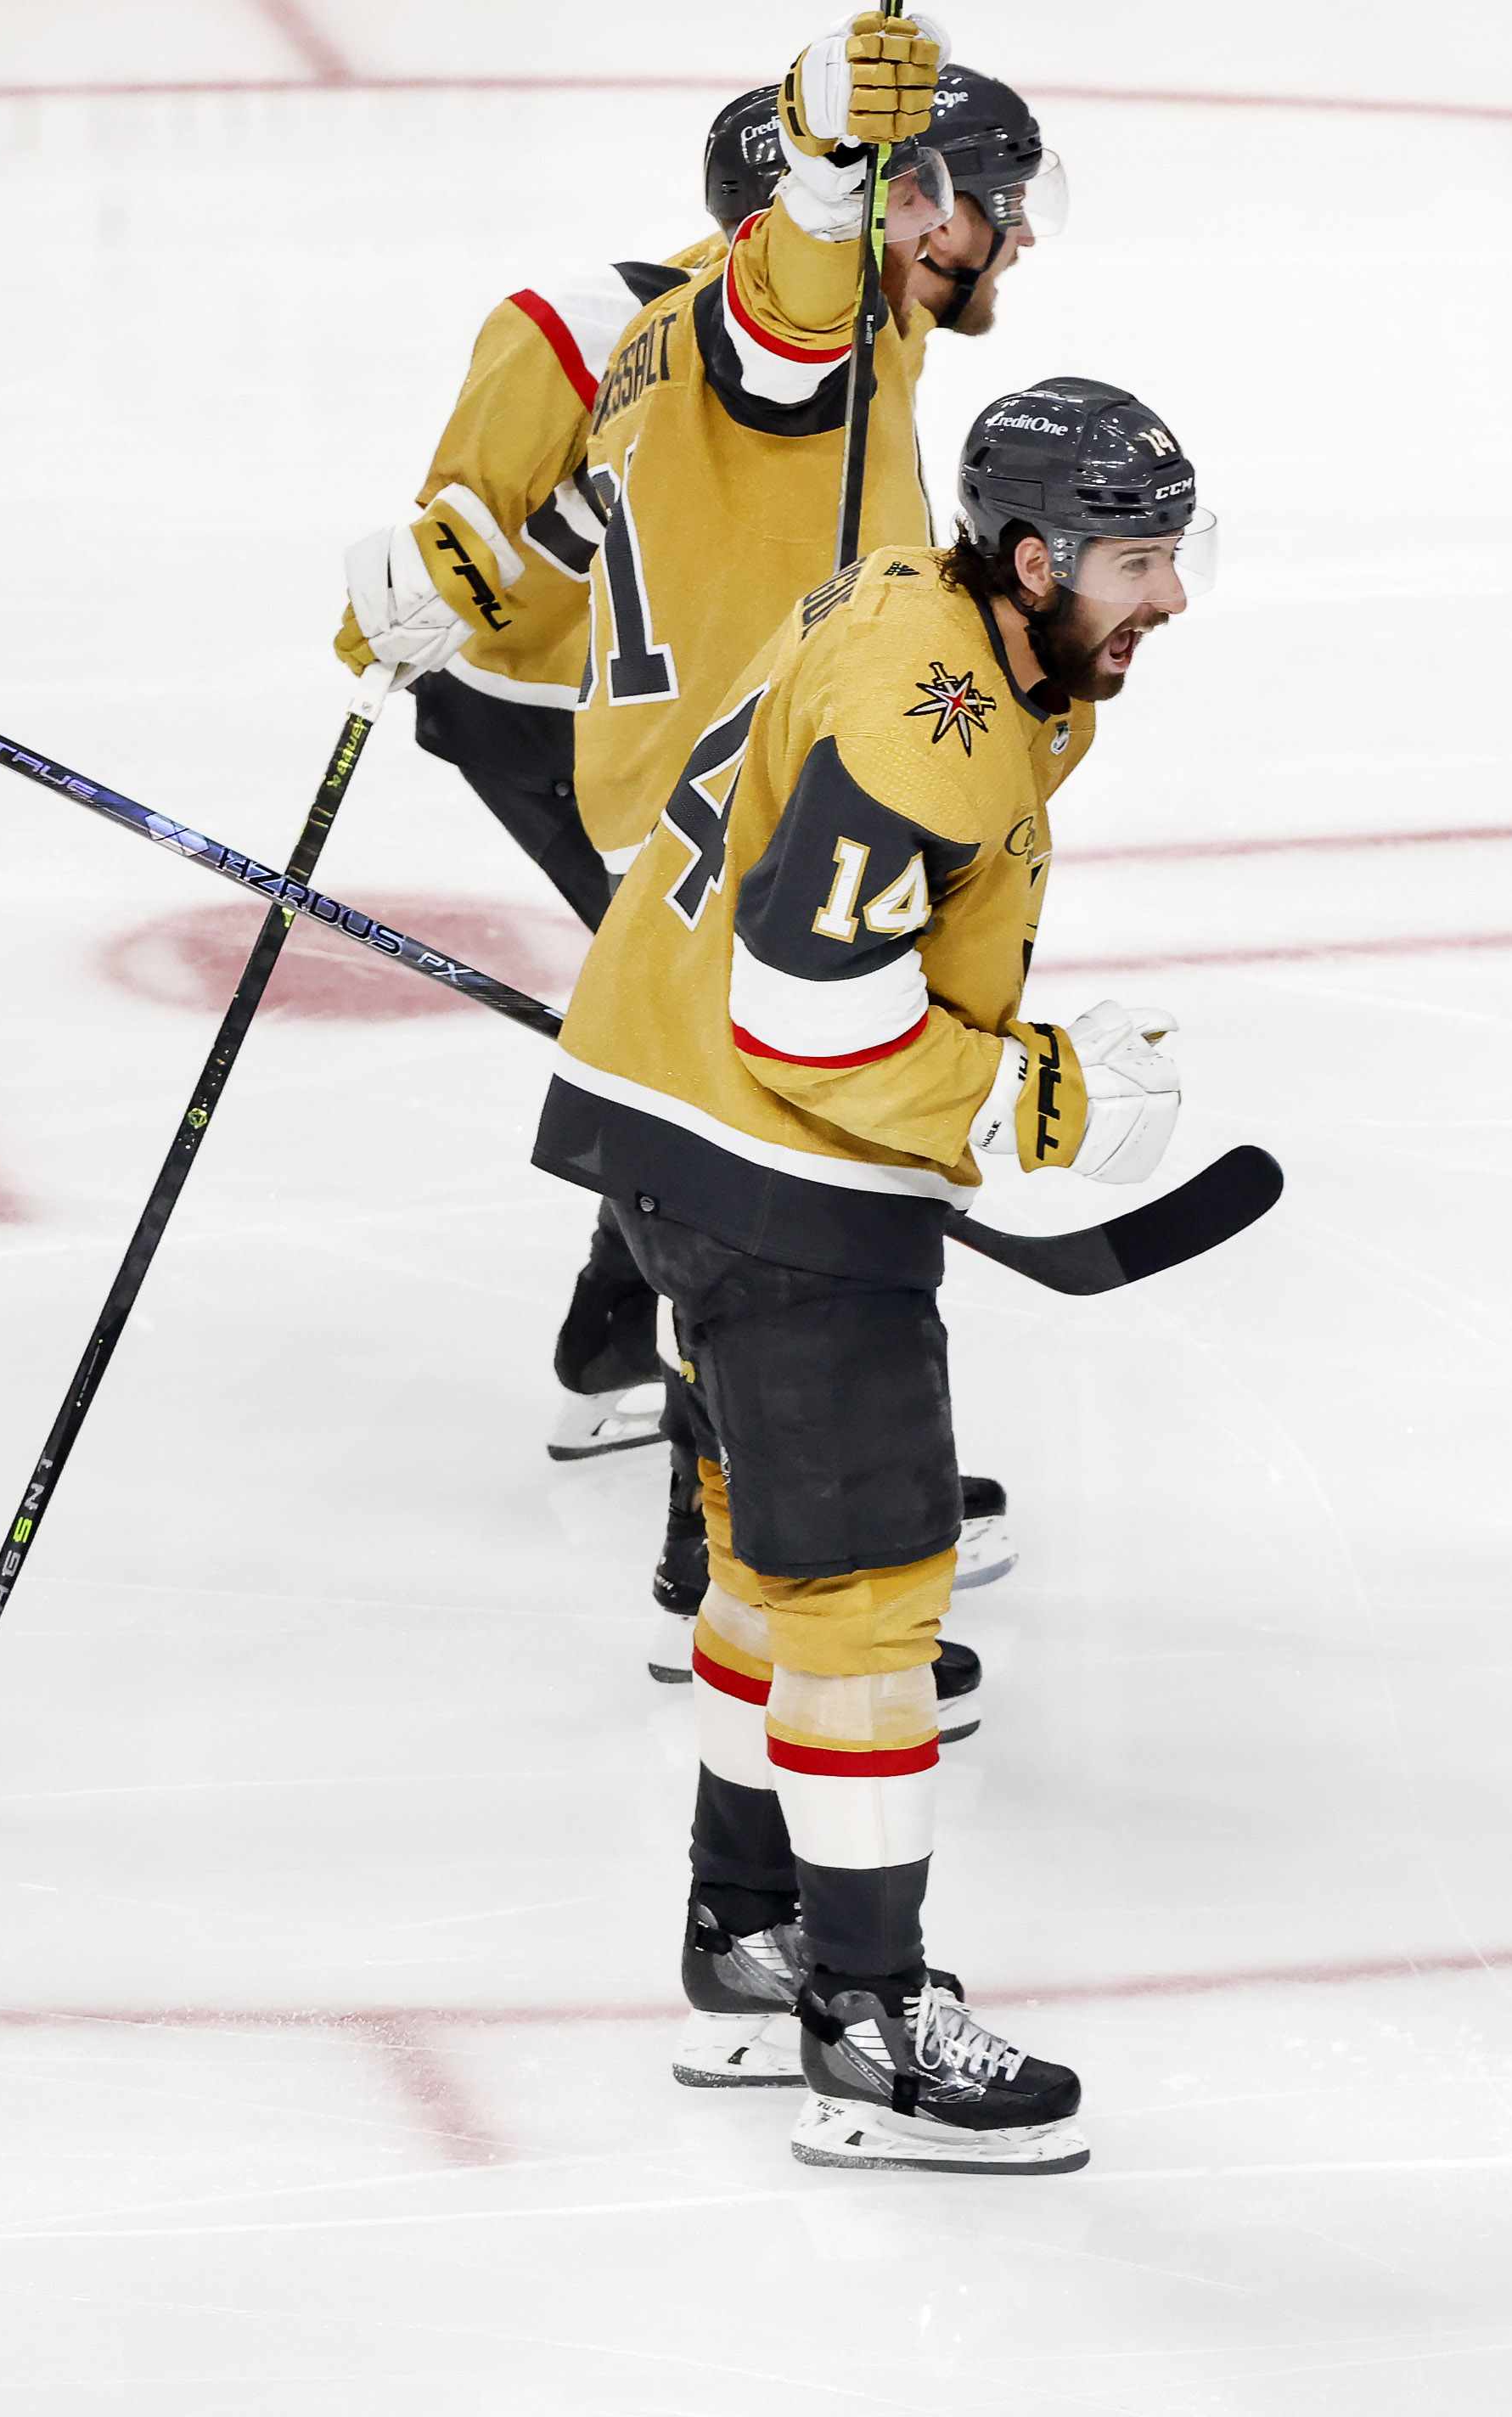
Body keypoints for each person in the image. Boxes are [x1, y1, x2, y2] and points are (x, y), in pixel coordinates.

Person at [526, 377, 1214, 2170]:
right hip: (770, 1163)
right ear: (1037, 553)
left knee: (775, 1567)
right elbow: (809, 1014)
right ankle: (865, 2010)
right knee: (872, 1594)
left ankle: (745, 1938)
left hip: (681, 1124)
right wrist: (1039, 1091)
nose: (1173, 598)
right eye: (1142, 562)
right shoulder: (943, 716)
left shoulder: (909, 604)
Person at [340, 24, 1064, 1667]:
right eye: (995, 204)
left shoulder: (778, 322)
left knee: (687, 1078)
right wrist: (433, 565)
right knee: (734, 1116)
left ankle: (615, 1353)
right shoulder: (746, 322)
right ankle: (720, 1545)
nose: (1016, 239)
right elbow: (743, 357)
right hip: (626, 748)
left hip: (684, 742)